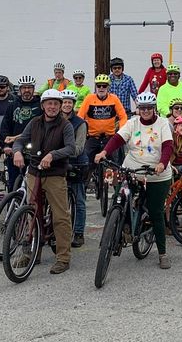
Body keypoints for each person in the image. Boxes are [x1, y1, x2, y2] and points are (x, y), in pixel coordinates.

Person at [97, 91, 177, 270]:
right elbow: (118, 139)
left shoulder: (163, 123)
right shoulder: (132, 123)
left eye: (149, 108)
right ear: (138, 109)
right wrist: (103, 152)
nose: (146, 111)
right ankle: (120, 228)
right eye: (142, 108)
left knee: (156, 212)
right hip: (132, 170)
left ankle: (162, 253)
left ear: (154, 108)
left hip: (157, 175)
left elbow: (167, 146)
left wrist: (162, 164)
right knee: (118, 198)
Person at [13, 89, 78, 274]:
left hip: (55, 174)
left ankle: (63, 258)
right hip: (34, 173)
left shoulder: (65, 126)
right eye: (49, 103)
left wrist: (52, 155)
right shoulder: (34, 123)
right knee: (32, 214)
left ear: (60, 107)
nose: (52, 107)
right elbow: (21, 140)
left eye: (56, 104)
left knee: (60, 217)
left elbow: (71, 148)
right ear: (42, 105)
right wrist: (17, 151)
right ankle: (33, 252)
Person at [78, 73, 128, 177]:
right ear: (95, 87)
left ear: (108, 87)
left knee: (115, 165)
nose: (101, 88)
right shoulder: (89, 98)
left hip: (109, 137)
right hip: (92, 137)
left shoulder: (114, 99)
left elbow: (123, 116)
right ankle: (85, 186)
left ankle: (116, 190)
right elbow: (80, 116)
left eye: (104, 86)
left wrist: (121, 130)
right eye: (99, 85)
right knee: (85, 163)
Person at [0, 75, 42, 191]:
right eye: (24, 88)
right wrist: (7, 146)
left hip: (35, 149)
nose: (27, 90)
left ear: (34, 89)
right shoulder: (12, 105)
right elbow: (5, 127)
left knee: (36, 185)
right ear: (20, 89)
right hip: (16, 149)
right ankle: (13, 206)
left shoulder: (40, 106)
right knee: (13, 184)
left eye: (29, 87)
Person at [60, 90, 89, 248]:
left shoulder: (80, 123)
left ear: (73, 104)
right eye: (64, 102)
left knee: (79, 200)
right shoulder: (56, 120)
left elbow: (78, 147)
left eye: (69, 102)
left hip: (77, 164)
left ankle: (79, 233)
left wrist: (59, 153)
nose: (66, 105)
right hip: (59, 163)